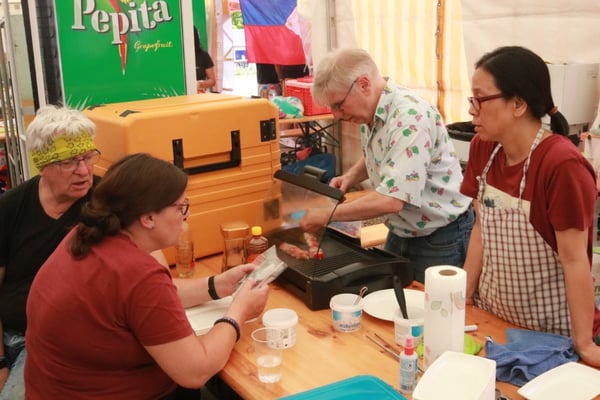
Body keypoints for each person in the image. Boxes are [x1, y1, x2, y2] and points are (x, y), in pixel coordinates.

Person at [24, 153, 269, 398]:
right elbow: (195, 371)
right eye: (180, 207)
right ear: (148, 218)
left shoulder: (87, 235)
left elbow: (146, 302)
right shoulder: (137, 273)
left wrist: (215, 285)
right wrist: (239, 311)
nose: (186, 215)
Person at [460, 46, 600, 366]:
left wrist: (585, 345)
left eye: (480, 99)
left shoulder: (560, 164)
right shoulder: (483, 148)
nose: (471, 110)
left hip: (550, 336)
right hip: (495, 321)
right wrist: (464, 298)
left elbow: (575, 260)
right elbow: (481, 228)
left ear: (518, 104)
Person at [300, 48, 473, 283]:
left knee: (428, 303)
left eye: (339, 105)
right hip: (400, 229)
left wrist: (326, 215)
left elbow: (391, 200)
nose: (336, 115)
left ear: (363, 84)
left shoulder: (409, 118)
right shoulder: (372, 110)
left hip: (440, 236)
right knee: (392, 297)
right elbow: (381, 153)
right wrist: (351, 177)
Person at [0, 105, 101, 399]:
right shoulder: (10, 208)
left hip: (85, 337)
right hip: (22, 338)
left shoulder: (105, 202)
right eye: (69, 162)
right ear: (42, 166)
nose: (84, 171)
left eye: (88, 157)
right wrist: (0, 361)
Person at [193, 27, 216, 93]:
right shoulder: (177, 57)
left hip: (200, 94)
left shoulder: (203, 55)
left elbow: (212, 81)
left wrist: (199, 84)